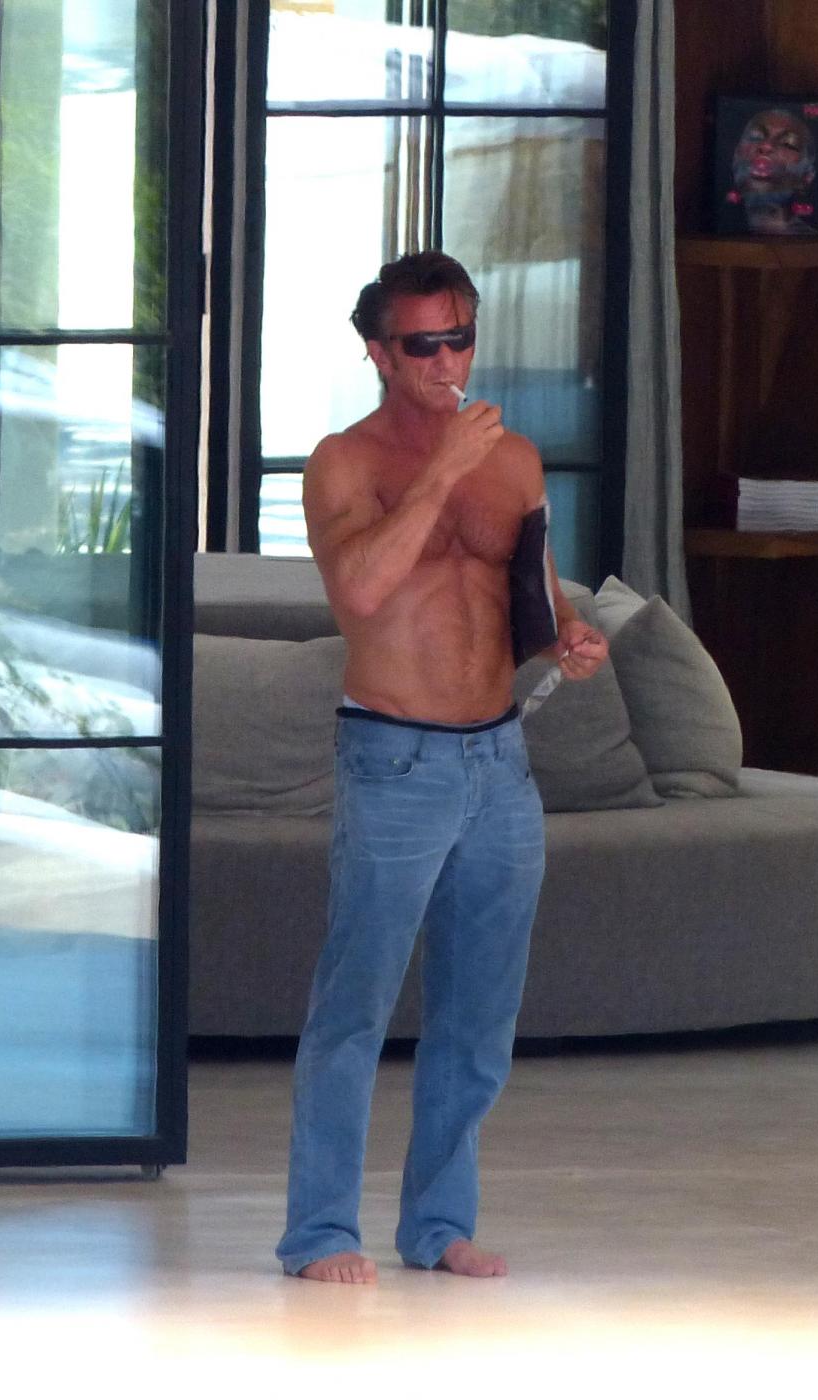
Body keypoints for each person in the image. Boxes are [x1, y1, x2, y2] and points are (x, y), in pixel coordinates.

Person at [275, 251, 608, 1284]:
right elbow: (361, 592)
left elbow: (531, 593)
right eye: (423, 344)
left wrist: (568, 636)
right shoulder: (342, 462)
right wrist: (441, 471)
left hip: (500, 760)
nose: (446, 361)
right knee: (356, 1006)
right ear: (379, 353)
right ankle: (320, 1231)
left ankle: (437, 1222)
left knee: (479, 1016)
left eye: (459, 339)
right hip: (395, 757)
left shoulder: (516, 460)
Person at [729, 108, 818, 235]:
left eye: (788, 144)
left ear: (807, 177)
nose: (766, 146)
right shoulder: (713, 226)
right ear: (735, 155)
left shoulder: (817, 243)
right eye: (755, 137)